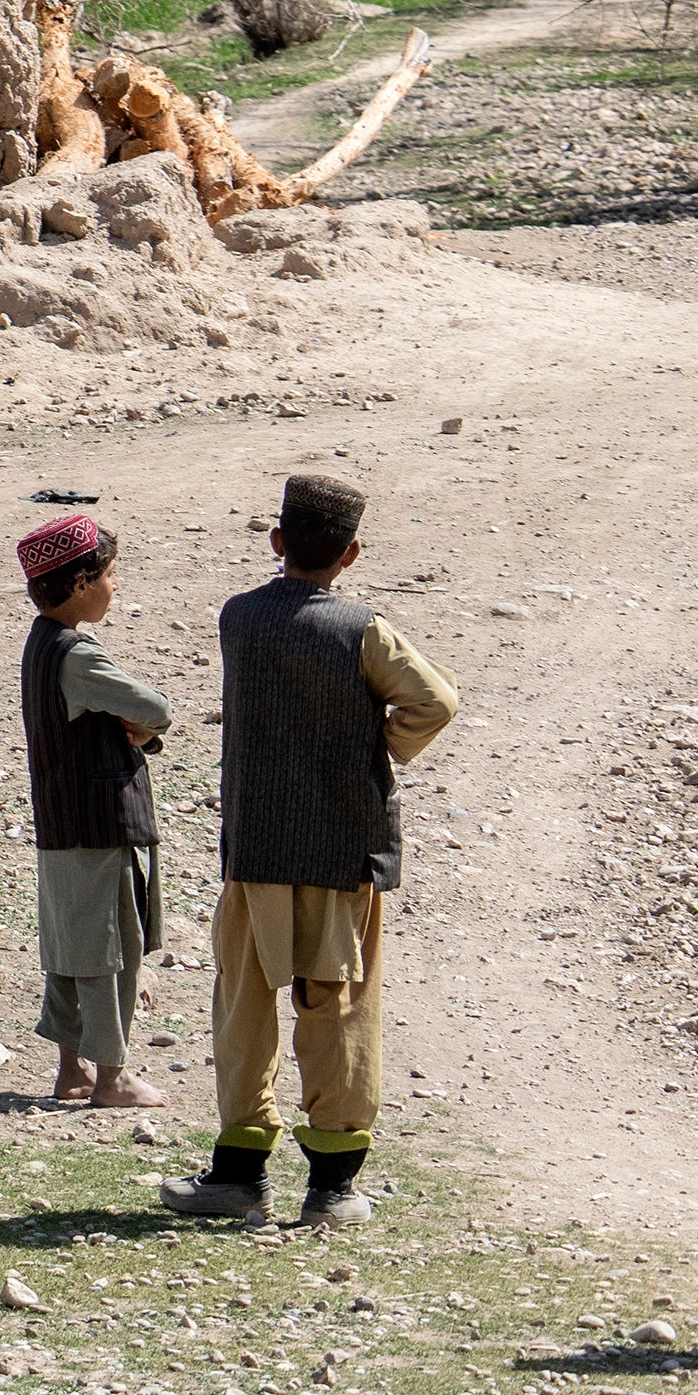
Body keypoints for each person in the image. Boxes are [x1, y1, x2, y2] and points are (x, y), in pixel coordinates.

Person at [162, 477, 459, 1228]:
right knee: (340, 1011)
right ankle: (332, 1188)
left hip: (257, 848)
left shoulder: (239, 618)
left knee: (244, 1008)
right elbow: (435, 701)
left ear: (276, 542)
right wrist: (376, 751)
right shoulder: (365, 631)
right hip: (342, 850)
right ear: (352, 553)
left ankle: (238, 1174)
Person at [14, 514, 173, 1110]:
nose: (115, 586)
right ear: (80, 583)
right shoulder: (78, 654)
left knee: (71, 950)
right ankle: (111, 1078)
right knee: (112, 951)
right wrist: (144, 727)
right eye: (109, 575)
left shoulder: (39, 644)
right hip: (98, 825)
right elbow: (153, 706)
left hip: (59, 825)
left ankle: (70, 1070)